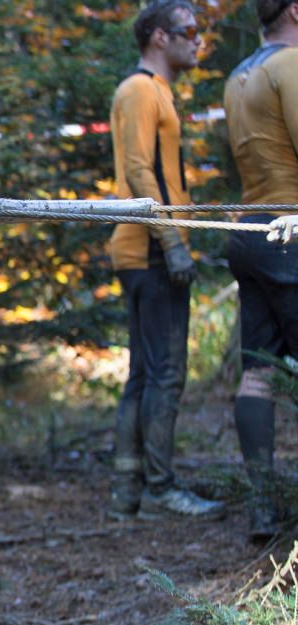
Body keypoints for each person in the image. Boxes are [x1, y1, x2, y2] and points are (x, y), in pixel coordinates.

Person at [106, 0, 224, 521]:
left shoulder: (156, 92)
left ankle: (127, 489)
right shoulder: (139, 90)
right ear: (158, 36)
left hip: (148, 248)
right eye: (188, 31)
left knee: (144, 374)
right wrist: (172, 241)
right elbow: (137, 168)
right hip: (150, 251)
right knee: (166, 374)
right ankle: (158, 489)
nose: (196, 40)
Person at [223, 0, 298, 540]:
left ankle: (263, 506)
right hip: (291, 232)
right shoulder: (290, 66)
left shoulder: (239, 73)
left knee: (259, 370)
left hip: (249, 228)